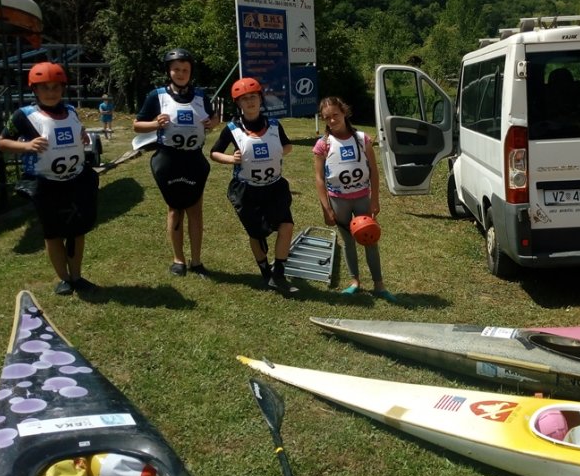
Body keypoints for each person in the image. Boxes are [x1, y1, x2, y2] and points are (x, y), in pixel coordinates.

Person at [0, 62, 99, 296]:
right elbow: (2, 143)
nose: (51, 93)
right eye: (45, 88)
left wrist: (82, 135)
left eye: (55, 87)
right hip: (46, 183)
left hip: (76, 180)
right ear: (34, 90)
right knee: (53, 232)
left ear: (63, 88)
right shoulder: (24, 116)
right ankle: (63, 279)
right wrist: (26, 146)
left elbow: (75, 131)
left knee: (77, 229)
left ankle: (77, 276)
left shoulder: (71, 111)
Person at [133, 48, 219, 277]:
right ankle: (178, 259)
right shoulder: (156, 96)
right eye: (176, 69)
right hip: (169, 158)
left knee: (195, 210)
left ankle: (197, 260)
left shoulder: (200, 96)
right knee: (174, 209)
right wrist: (155, 124)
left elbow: (214, 119)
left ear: (190, 72)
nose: (181, 73)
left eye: (185, 70)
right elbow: (137, 125)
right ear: (168, 71)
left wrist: (213, 123)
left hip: (193, 157)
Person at [209, 77, 296, 294]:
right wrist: (231, 159)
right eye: (244, 99)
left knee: (286, 225)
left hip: (274, 186)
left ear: (260, 99)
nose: (250, 102)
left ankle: (279, 273)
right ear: (238, 103)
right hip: (247, 190)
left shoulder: (274, 125)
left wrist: (277, 152)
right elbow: (214, 152)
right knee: (256, 234)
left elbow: (287, 146)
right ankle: (265, 271)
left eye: (253, 97)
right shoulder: (232, 129)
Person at [313, 96, 395, 302]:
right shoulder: (323, 145)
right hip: (338, 200)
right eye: (327, 118)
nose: (332, 121)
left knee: (370, 239)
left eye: (335, 115)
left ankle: (379, 285)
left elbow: (374, 172)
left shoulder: (361, 139)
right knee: (348, 241)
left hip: (361, 199)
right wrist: (326, 209)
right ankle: (354, 282)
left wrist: (374, 199)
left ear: (344, 113)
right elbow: (319, 179)